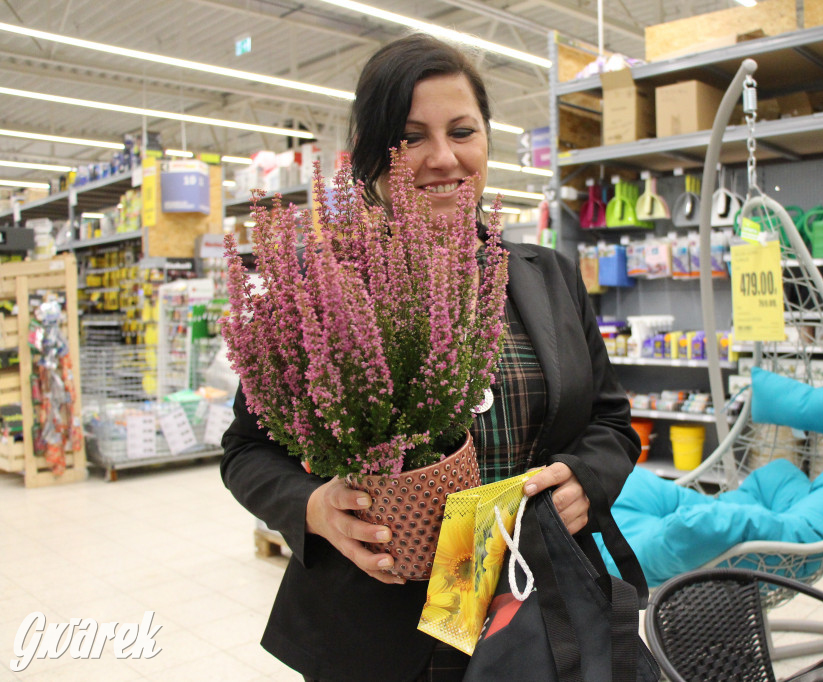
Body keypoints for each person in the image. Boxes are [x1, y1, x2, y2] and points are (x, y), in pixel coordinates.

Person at [221, 33, 640, 682]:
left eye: (463, 131)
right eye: (411, 138)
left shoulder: (547, 275)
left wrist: (587, 477)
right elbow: (246, 450)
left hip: (533, 603)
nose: (444, 157)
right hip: (383, 626)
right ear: (371, 158)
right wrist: (313, 508)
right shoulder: (320, 287)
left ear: (487, 142)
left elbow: (611, 422)